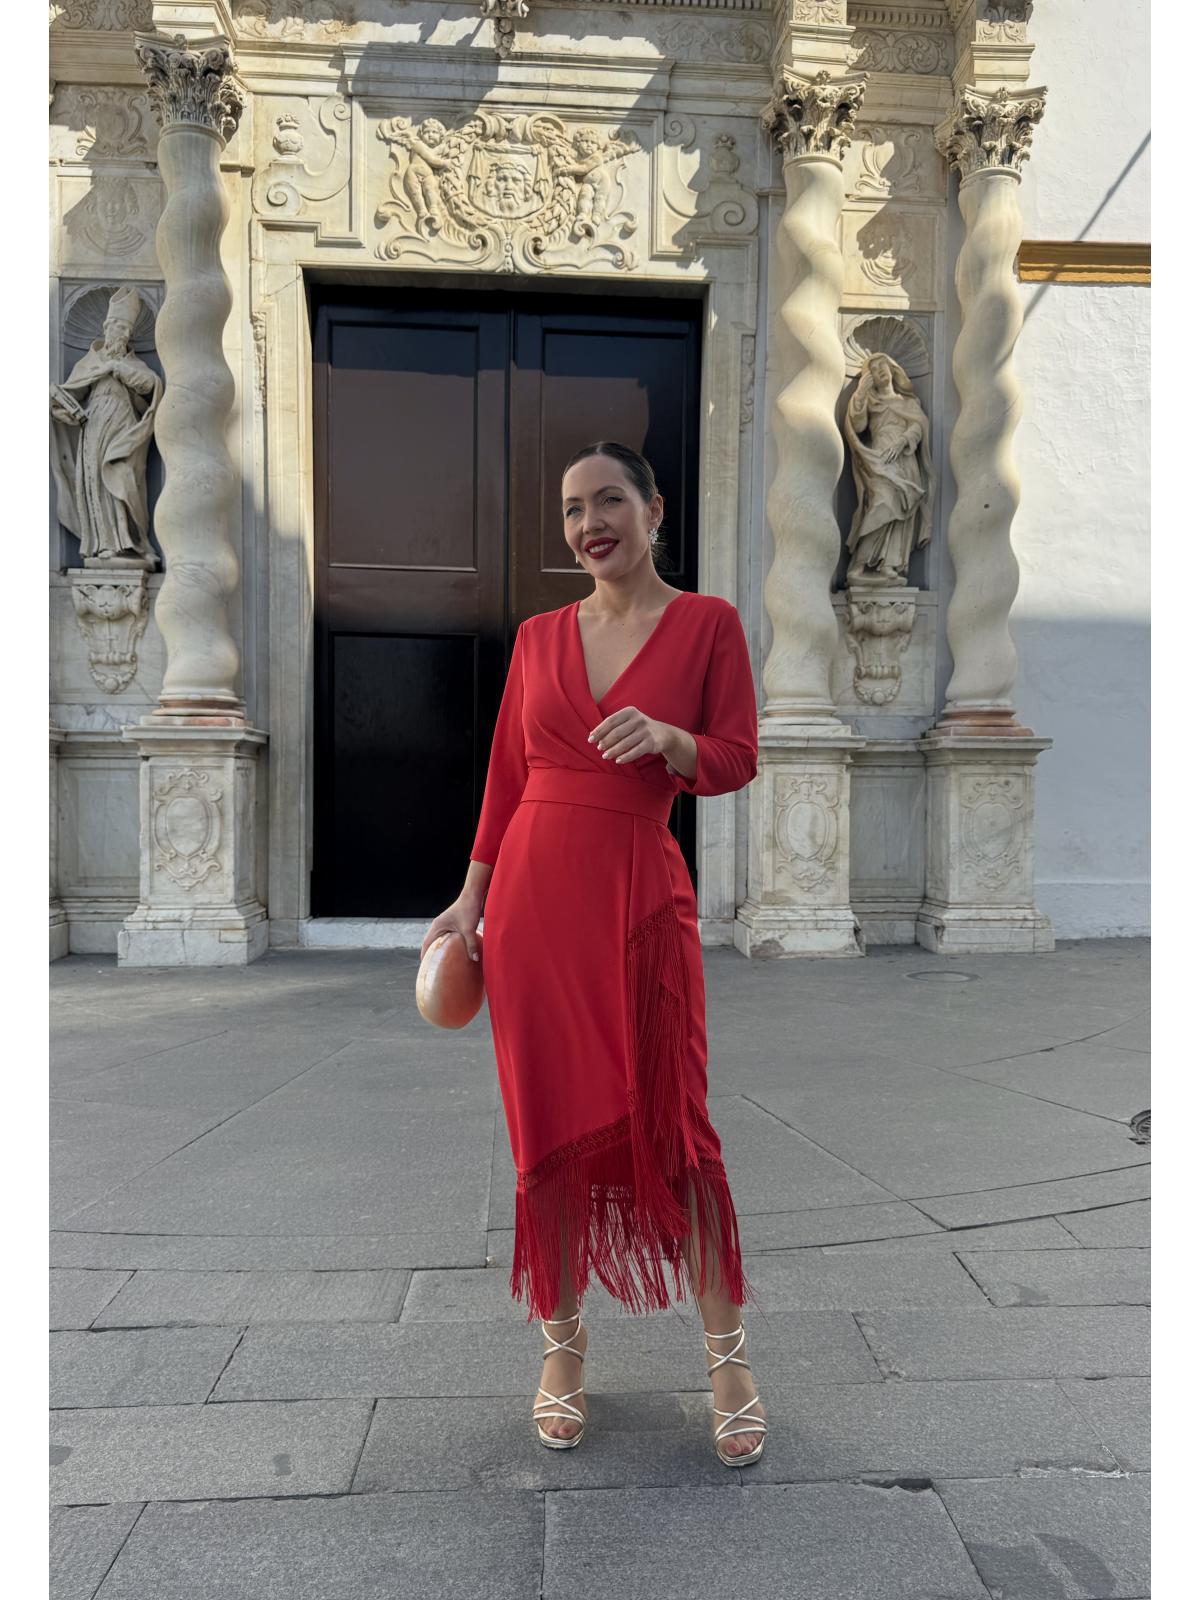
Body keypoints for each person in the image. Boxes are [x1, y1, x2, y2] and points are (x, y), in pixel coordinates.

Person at [422, 441, 766, 1465]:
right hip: (533, 911)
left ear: (655, 508)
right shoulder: (535, 639)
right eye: (572, 509)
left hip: (639, 904)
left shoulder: (708, 625)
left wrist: (671, 741)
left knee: (682, 1129)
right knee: (548, 1141)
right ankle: (562, 1348)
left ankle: (728, 1355)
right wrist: (469, 901)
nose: (588, 523)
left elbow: (738, 755)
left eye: (608, 499)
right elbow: (506, 778)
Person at [50, 285, 161, 564]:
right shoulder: (91, 362)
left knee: (124, 478)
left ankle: (135, 541)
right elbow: (70, 393)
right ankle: (105, 544)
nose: (121, 335)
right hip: (95, 425)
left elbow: (149, 384)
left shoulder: (131, 364)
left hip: (126, 428)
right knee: (97, 484)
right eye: (117, 328)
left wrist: (118, 368)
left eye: (126, 330)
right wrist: (61, 410)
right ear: (106, 329)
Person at [844, 351, 935, 586]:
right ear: (869, 377)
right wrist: (861, 393)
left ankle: (889, 566)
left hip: (904, 459)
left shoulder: (908, 403)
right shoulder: (871, 403)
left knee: (902, 511)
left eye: (882, 365)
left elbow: (918, 427)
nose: (879, 371)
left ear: (893, 369)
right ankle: (860, 565)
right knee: (882, 504)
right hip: (879, 460)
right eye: (873, 370)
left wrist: (902, 440)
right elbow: (858, 424)